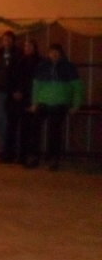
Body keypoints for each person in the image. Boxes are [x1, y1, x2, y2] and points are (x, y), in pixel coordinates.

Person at [26, 43, 83, 171]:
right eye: (52, 51)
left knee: (54, 130)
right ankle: (34, 156)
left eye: (56, 51)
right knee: (34, 127)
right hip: (43, 102)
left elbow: (77, 87)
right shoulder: (42, 66)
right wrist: (34, 103)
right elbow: (36, 86)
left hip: (60, 103)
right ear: (48, 53)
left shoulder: (68, 67)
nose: (54, 54)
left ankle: (53, 158)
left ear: (61, 53)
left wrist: (76, 105)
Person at [0, 31, 23, 162]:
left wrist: (17, 89)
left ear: (13, 41)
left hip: (12, 91)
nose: (7, 42)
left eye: (9, 39)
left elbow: (19, 73)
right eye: (5, 39)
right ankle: (2, 148)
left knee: (11, 122)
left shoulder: (18, 54)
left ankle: (12, 150)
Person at [13, 39, 41, 166]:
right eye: (26, 46)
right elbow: (15, 78)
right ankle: (22, 154)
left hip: (36, 97)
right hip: (23, 97)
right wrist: (16, 90)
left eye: (30, 46)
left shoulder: (40, 62)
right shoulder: (21, 61)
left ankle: (33, 154)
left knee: (34, 127)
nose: (27, 48)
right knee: (23, 126)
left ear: (34, 47)